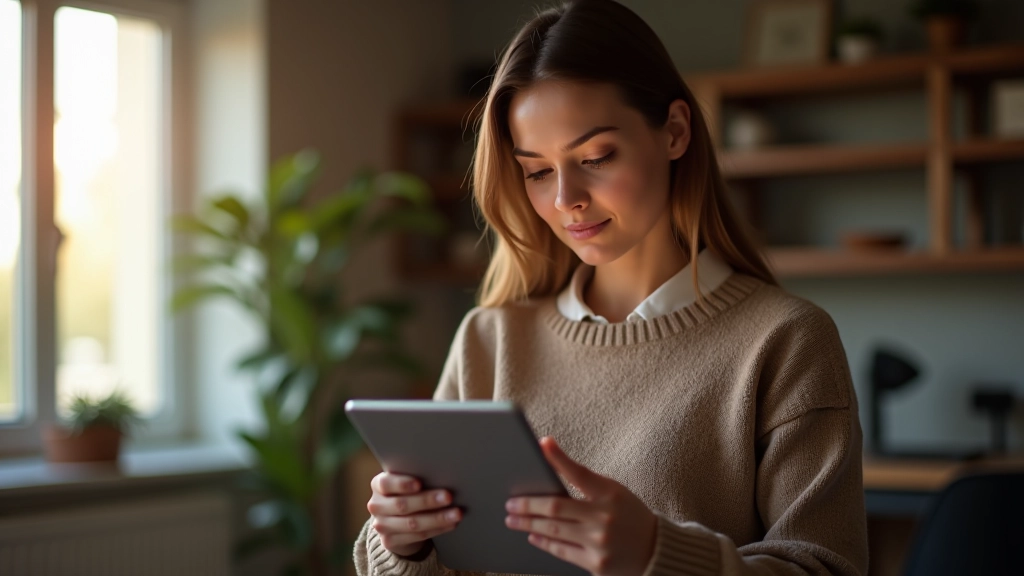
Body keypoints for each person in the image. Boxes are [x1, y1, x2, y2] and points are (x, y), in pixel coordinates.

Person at [353, 0, 869, 574]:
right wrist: (403, 545)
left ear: (675, 132)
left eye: (596, 157)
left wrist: (656, 555)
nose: (565, 199)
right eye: (537, 171)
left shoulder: (785, 341)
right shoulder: (488, 341)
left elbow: (824, 567)